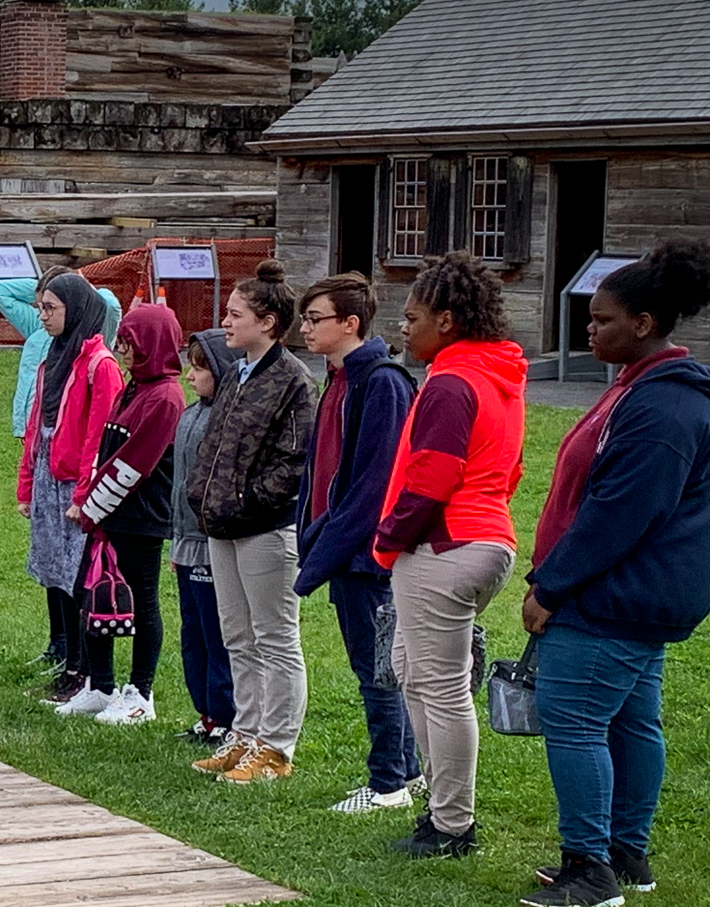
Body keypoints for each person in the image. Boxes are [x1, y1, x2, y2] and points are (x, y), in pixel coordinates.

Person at [519, 239, 710, 907]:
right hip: (639, 596)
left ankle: (590, 869)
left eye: (603, 318)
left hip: (615, 597)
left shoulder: (662, 407)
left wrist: (550, 585)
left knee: (575, 719)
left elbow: (620, 514)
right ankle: (625, 854)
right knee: (634, 720)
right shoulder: (640, 389)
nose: (591, 327)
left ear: (644, 323)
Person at [372, 251, 528, 858]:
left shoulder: (452, 381)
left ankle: (451, 824)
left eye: (412, 318)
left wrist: (389, 539)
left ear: (447, 317)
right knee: (414, 670)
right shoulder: (497, 375)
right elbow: (509, 469)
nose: (403, 329)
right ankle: (441, 810)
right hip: (486, 539)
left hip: (446, 544)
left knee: (439, 686)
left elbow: (432, 478)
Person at [291, 272, 422, 813]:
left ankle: (390, 780)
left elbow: (373, 483)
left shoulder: (382, 382)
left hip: (367, 555)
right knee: (374, 664)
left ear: (351, 323)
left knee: (379, 670)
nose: (306, 328)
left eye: (316, 318)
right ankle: (407, 770)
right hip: (340, 546)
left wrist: (322, 552)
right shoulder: (338, 378)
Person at [185, 261, 316, 785]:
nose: (226, 322)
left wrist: (246, 500)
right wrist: (207, 496)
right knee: (237, 635)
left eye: (236, 314)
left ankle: (277, 747)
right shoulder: (239, 373)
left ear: (267, 322)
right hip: (223, 526)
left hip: (266, 527)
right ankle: (246, 732)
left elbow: (294, 461)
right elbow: (216, 445)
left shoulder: (293, 381)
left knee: (275, 635)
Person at [53, 303, 186, 725]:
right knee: (92, 592)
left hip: (140, 516)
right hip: (109, 515)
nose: (123, 350)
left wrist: (91, 508)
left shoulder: (165, 397)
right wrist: (91, 499)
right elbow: (107, 450)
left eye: (130, 343)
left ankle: (140, 693)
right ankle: (100, 685)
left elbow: (133, 464)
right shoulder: (134, 387)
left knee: (142, 601)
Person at [0, 267, 122, 668]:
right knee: (53, 566)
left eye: (50, 307)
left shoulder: (99, 365)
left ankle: (83, 664)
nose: (43, 315)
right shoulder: (52, 356)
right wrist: (25, 483)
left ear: (77, 309)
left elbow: (98, 437)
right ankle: (63, 650)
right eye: (40, 307)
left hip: (74, 481)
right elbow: (37, 427)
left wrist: (85, 493)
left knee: (77, 572)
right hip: (50, 474)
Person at [166, 331, 240, 745]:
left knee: (217, 635)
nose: (190, 376)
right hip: (185, 539)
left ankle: (228, 714)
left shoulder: (224, 419)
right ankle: (207, 713)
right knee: (192, 632)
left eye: (200, 367)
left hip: (211, 542)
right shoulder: (191, 414)